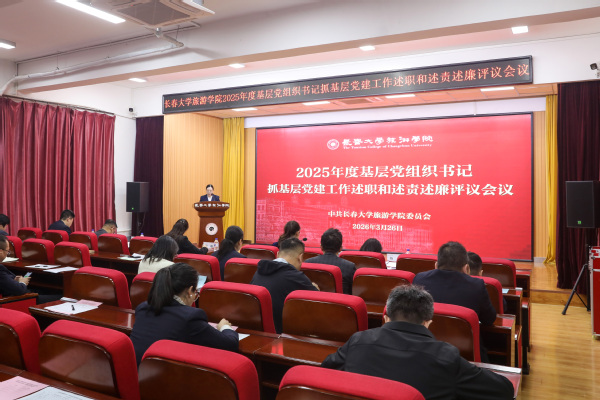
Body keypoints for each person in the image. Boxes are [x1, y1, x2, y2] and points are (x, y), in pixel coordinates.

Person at [321, 285, 514, 400]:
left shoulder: (358, 341)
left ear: (386, 317)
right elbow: (504, 390)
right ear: (428, 322)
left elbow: (326, 368)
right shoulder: (445, 356)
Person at [130, 263, 238, 366]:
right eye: (196, 293)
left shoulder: (142, 308)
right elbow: (230, 344)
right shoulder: (190, 317)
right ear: (190, 291)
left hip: (138, 373)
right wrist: (225, 327)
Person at [413, 241, 497, 362]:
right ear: (466, 268)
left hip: (425, 350)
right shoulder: (476, 285)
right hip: (465, 356)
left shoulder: (419, 279)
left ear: (436, 265)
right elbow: (489, 319)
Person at [250, 237, 319, 333]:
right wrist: (315, 288)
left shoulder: (259, 271)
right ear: (300, 257)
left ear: (277, 254)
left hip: (256, 330)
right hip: (282, 333)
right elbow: (317, 304)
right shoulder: (296, 277)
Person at [0, 236, 61, 304]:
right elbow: (20, 290)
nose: (8, 254)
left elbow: (4, 282)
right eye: (7, 251)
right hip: (18, 300)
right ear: (0, 251)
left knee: (44, 291)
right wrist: (22, 282)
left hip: (14, 291)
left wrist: (13, 281)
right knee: (61, 297)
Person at [304, 228, 356, 295]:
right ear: (340, 249)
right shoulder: (349, 267)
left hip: (314, 300)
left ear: (321, 247)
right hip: (339, 301)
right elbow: (353, 292)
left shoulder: (308, 263)